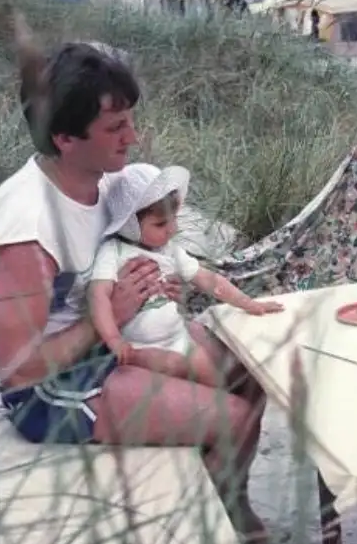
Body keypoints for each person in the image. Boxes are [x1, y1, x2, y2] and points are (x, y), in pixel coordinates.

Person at [0, 40, 272, 544]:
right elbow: (15, 369)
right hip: (52, 387)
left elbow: (149, 240)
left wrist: (156, 287)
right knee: (232, 419)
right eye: (115, 128)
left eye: (130, 120)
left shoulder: (106, 183)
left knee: (250, 374)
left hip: (117, 337)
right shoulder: (28, 227)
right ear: (65, 138)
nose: (133, 137)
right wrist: (104, 319)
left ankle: (225, 505)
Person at [89, 161, 283, 383]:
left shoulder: (170, 251)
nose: (173, 229)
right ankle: (137, 367)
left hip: (178, 337)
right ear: (130, 224)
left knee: (215, 376)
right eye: (161, 224)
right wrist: (114, 339)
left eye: (174, 219)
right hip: (139, 346)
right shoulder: (114, 251)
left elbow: (209, 280)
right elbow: (98, 296)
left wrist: (249, 303)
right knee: (183, 366)